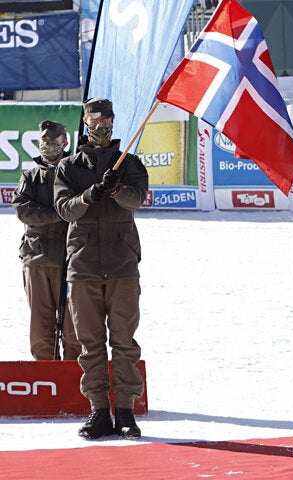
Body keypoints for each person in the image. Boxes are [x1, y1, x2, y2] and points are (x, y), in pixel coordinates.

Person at [53, 98, 149, 440]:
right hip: (83, 266)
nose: (100, 128)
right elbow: (64, 209)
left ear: (112, 122)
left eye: (106, 122)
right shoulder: (68, 167)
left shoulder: (130, 163)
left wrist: (117, 188)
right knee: (90, 343)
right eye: (94, 123)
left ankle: (125, 410)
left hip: (122, 264)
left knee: (124, 342)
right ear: (85, 123)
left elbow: (138, 199)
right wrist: (89, 195)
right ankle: (98, 410)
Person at [13, 120, 82, 361]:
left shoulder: (75, 174)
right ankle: (45, 373)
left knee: (74, 327)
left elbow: (81, 208)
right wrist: (60, 213)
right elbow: (24, 211)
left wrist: (66, 211)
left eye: (53, 141)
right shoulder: (30, 176)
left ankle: (73, 373)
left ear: (65, 143)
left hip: (71, 258)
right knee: (41, 327)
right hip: (37, 257)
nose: (47, 146)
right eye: (43, 141)